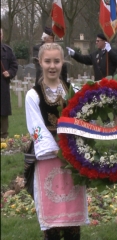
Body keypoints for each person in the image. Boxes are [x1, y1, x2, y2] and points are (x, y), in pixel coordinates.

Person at [25, 43, 89, 240]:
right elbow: (37, 128)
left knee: (72, 218)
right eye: (47, 61)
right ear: (40, 63)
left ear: (63, 62)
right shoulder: (33, 95)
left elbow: (83, 120)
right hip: (47, 159)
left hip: (71, 161)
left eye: (56, 61)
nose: (52, 66)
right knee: (52, 220)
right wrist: (60, 150)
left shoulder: (74, 91)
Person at [1, 28, 18, 139]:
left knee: (3, 112)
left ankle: (3, 136)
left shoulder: (7, 50)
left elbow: (14, 66)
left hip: (2, 87)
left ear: (2, 35)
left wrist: (9, 73)